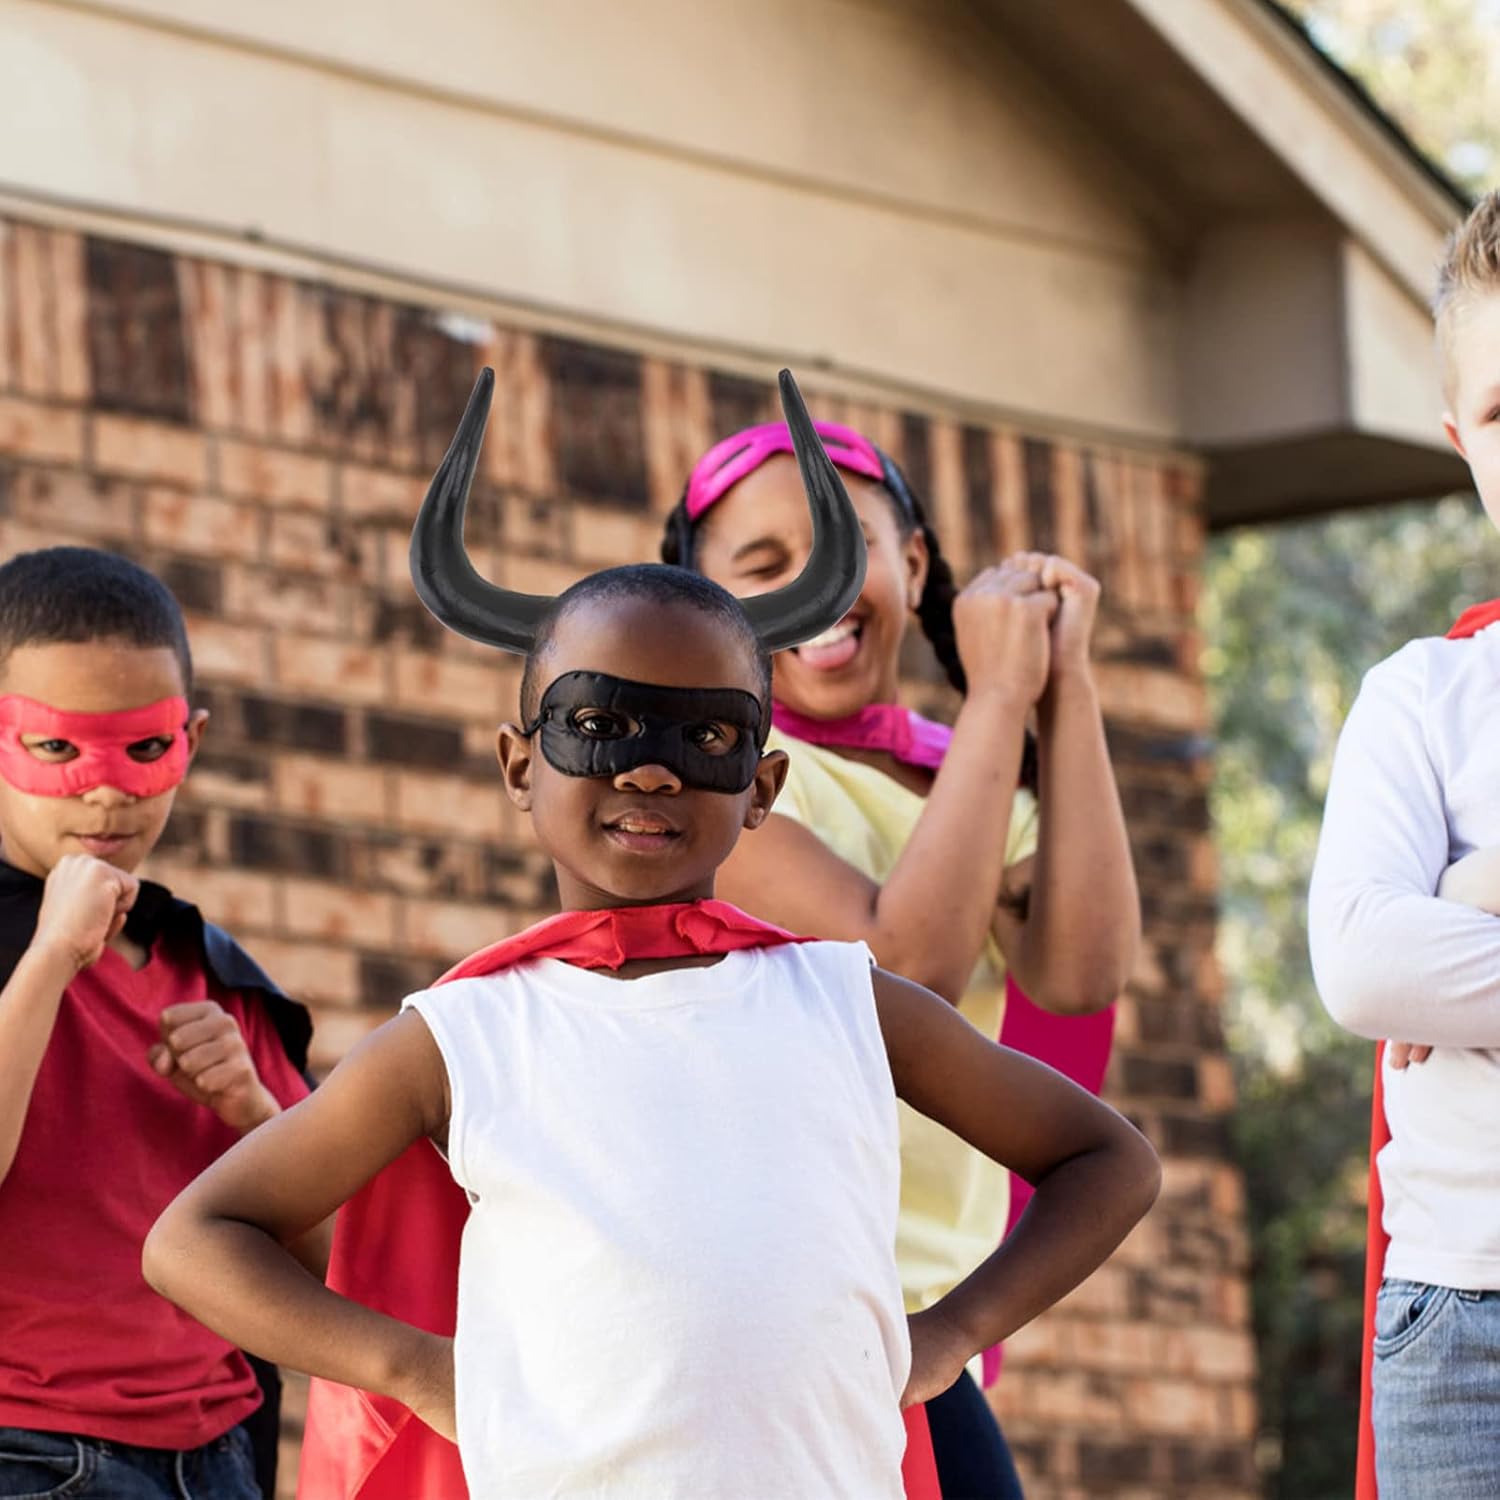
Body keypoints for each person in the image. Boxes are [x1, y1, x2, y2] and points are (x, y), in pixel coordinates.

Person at [144, 370, 1160, 1500]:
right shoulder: (465, 1036)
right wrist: (423, 1370)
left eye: (706, 735)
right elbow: (194, 1238)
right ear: (520, 766)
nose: (650, 765)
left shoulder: (846, 1002)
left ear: (761, 785)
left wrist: (950, 1335)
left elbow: (1107, 1154)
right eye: (597, 722)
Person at [660, 414, 1138, 1493]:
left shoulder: (952, 780)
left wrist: (1066, 692)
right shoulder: (717, 775)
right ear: (704, 601)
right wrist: (1000, 697)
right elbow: (903, 965)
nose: (817, 586)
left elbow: (1079, 971)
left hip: (921, 1325)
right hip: (772, 1320)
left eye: (847, 546)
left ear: (914, 565)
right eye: (766, 566)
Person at [0, 546, 317, 1500]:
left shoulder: (214, 974)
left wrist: (256, 1115)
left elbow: (346, 1260)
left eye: (144, 749)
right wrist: (50, 958)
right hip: (26, 1449)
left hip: (218, 1457)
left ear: (194, 739)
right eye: (57, 748)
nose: (107, 791)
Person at [1309, 189, 1500, 1500]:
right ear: (1461, 440)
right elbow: (1366, 963)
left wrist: (1471, 891)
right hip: (1456, 1325)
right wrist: (1425, 918)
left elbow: (1419, 941)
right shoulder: (1424, 697)